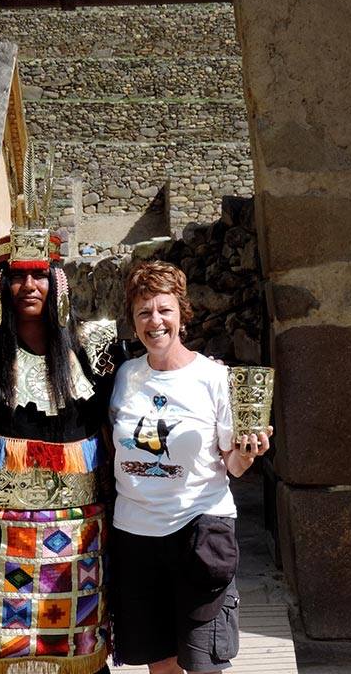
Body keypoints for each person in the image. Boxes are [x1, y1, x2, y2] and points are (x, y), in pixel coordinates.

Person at [0, 226, 116, 674]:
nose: (29, 286)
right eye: (17, 276)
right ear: (2, 285)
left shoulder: (96, 352)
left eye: (39, 276)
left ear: (58, 283)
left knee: (76, 651)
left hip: (75, 542)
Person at [109, 260, 273, 674]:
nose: (155, 321)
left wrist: (248, 452)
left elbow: (233, 465)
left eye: (164, 309)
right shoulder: (124, 377)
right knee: (160, 665)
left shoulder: (213, 377)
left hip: (200, 530)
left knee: (204, 664)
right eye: (144, 312)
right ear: (132, 320)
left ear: (182, 314)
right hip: (135, 535)